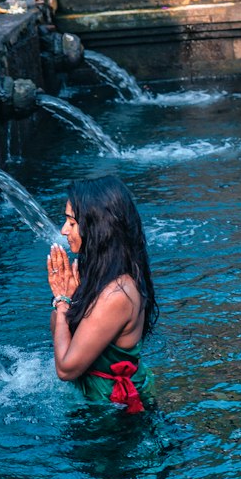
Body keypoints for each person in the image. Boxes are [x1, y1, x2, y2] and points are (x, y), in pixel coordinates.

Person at [46, 175, 157, 412]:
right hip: (93, 401)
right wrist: (64, 300)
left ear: (97, 227)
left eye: (72, 223)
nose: (64, 230)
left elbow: (65, 368)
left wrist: (63, 302)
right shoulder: (98, 274)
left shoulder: (116, 294)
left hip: (113, 412)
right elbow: (60, 330)